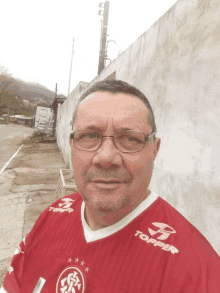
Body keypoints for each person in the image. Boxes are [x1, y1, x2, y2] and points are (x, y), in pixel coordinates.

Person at [1, 80, 219, 293]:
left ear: (154, 150)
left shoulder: (198, 272)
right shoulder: (52, 215)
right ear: (72, 146)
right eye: (89, 136)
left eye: (130, 139)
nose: (106, 157)